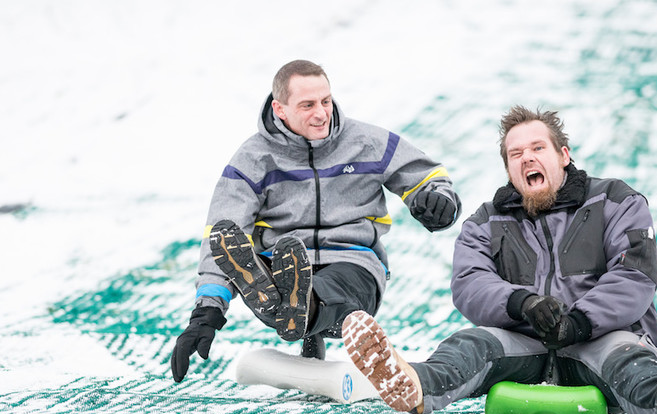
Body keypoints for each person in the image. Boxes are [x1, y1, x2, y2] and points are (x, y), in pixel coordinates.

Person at [342, 106, 657, 414]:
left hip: (599, 339)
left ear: (564, 155)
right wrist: (520, 303)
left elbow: (634, 274)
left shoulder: (615, 201)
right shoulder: (487, 220)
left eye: (538, 148)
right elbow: (469, 282)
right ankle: (413, 385)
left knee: (628, 361)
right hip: (525, 342)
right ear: (509, 169)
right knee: (470, 344)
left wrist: (579, 322)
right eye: (515, 154)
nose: (527, 159)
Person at [171, 59, 461, 382]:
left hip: (353, 263)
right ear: (280, 109)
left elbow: (426, 175)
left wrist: (436, 199)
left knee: (317, 290)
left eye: (325, 101)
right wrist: (206, 311)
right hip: (280, 258)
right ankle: (284, 295)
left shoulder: (366, 142)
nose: (322, 113)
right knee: (265, 269)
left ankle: (296, 300)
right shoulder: (253, 160)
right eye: (307, 105)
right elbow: (223, 230)